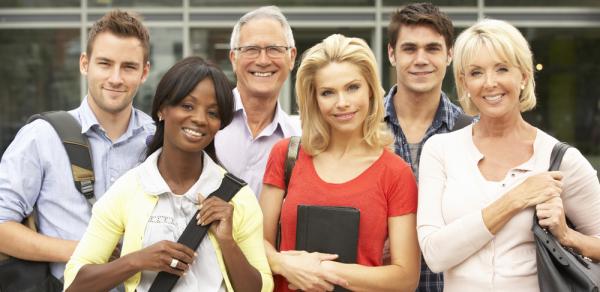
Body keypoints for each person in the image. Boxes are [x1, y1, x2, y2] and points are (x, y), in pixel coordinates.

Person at [417, 18, 600, 291]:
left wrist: (567, 235)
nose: (490, 83)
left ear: (524, 76)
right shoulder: (440, 150)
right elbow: (435, 254)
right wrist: (516, 198)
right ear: (463, 82)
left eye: (502, 69)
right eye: (476, 73)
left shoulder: (559, 158)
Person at [63, 56, 273, 292]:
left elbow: (262, 288)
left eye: (213, 113)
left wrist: (228, 242)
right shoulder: (129, 189)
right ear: (162, 109)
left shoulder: (237, 197)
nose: (200, 119)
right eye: (187, 106)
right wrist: (137, 260)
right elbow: (73, 285)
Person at [0, 10, 154, 285]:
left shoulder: (158, 141)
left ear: (144, 72)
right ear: (85, 64)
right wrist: (84, 252)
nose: (116, 78)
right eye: (105, 64)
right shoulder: (41, 137)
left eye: (128, 67)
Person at [260, 34, 421, 292]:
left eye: (352, 87)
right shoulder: (286, 155)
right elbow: (257, 243)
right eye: (327, 93)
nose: (342, 103)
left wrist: (322, 271)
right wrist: (283, 264)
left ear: (370, 89)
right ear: (314, 99)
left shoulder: (396, 173)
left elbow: (405, 277)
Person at [383, 4, 465, 291]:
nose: (421, 59)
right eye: (409, 49)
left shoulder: (474, 133)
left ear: (449, 55)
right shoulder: (360, 129)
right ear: (391, 54)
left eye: (432, 48)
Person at [215, 5, 301, 197]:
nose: (263, 60)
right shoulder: (207, 122)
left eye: (274, 49)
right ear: (233, 58)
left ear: (291, 57)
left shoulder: (299, 140)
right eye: (251, 49)